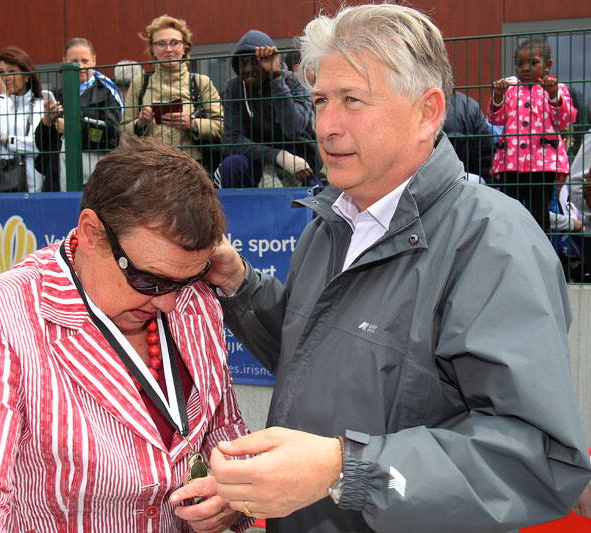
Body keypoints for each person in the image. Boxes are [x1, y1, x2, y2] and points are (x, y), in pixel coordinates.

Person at [174, 5, 591, 532]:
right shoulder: (329, 225)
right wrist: (238, 282)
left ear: (427, 112)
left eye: (353, 100)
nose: (326, 126)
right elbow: (319, 360)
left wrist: (344, 469)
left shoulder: (493, 241)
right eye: (320, 100)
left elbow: (535, 459)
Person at [0, 136, 254, 533]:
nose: (168, 302)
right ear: (91, 233)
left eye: (187, 280)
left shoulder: (193, 300)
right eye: (148, 280)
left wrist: (234, 496)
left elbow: (224, 429)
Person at [487, 36, 577, 233]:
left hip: (542, 164)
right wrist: (499, 97)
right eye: (520, 64)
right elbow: (496, 119)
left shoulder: (556, 89)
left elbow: (564, 120)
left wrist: (553, 95)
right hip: (511, 163)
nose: (525, 68)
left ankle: (541, 247)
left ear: (548, 65)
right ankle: (510, 245)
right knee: (510, 212)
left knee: (539, 213)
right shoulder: (510, 88)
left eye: (533, 62)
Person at [214, 30, 322, 189]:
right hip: (256, 159)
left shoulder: (295, 82)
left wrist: (277, 78)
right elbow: (233, 140)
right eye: (243, 64)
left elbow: (294, 129)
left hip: (298, 158)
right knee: (232, 166)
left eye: (255, 62)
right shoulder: (235, 88)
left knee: (312, 187)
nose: (247, 69)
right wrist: (279, 156)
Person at [120, 15, 224, 174]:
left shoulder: (200, 82)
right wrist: (139, 123)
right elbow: (122, 130)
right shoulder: (140, 83)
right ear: (153, 49)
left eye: (174, 43)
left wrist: (193, 124)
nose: (168, 49)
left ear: (184, 47)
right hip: (148, 167)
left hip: (191, 167)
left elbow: (222, 126)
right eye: (161, 44)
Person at [36, 37, 123, 191]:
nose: (80, 66)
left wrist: (73, 128)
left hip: (94, 179)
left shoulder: (107, 95)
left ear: (94, 61)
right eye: (74, 61)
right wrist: (46, 122)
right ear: (65, 62)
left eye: (85, 61)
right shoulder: (57, 95)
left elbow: (113, 136)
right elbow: (42, 145)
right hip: (56, 180)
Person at [0, 46, 46, 193]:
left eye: (11, 71)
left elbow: (39, 145)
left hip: (30, 185)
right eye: (1, 72)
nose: (6, 77)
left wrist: (9, 141)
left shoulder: (40, 105)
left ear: (26, 76)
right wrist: (3, 98)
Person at [443, 90, 494, 180]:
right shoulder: (469, 105)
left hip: (427, 179)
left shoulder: (418, 103)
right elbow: (485, 153)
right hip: (466, 178)